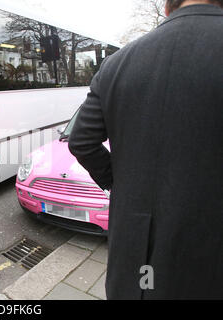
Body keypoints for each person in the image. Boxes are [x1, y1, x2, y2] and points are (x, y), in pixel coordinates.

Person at [68, 0, 223, 299]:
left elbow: (82, 141)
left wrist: (122, 182)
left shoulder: (117, 63)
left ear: (167, 7)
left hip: (136, 261)